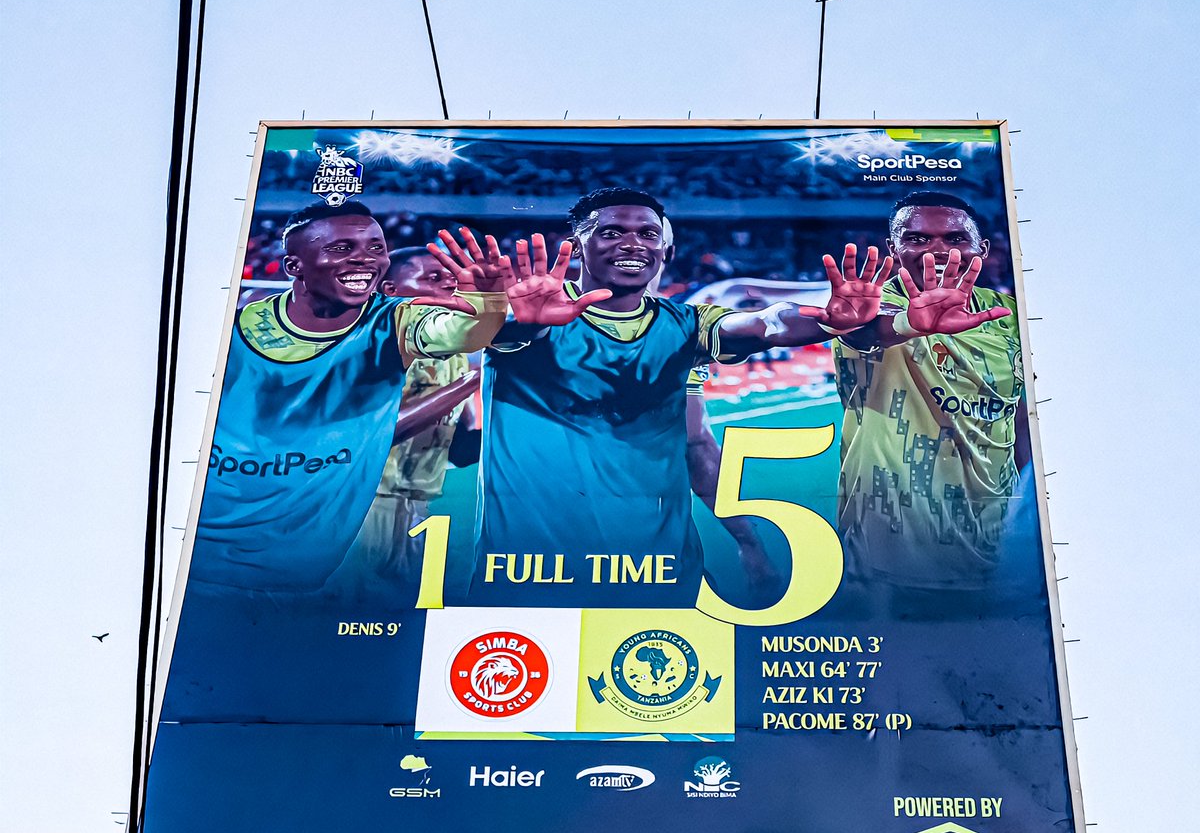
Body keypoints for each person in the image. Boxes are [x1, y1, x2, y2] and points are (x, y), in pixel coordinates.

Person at [444, 186, 890, 605]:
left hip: (654, 566)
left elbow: (765, 326)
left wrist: (832, 321)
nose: (631, 243)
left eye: (648, 233)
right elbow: (496, 330)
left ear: (665, 251)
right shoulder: (526, 318)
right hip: (529, 568)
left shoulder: (687, 327)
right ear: (576, 247)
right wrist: (517, 320)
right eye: (612, 231)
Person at [189, 203, 510, 594]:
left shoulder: (436, 346)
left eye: (376, 248)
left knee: (383, 623)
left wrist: (491, 301)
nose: (364, 259)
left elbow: (463, 436)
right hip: (360, 499)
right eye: (341, 248)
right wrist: (462, 388)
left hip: (414, 503)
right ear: (294, 266)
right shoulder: (238, 326)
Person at [831, 190, 1026, 589]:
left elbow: (1020, 416)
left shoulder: (1010, 319)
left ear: (982, 249)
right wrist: (909, 323)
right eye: (917, 239)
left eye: (955, 239)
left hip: (997, 539)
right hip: (891, 552)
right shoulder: (869, 306)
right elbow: (862, 331)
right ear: (892, 248)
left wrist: (1030, 507)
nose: (937, 250)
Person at [334, 245, 483, 596]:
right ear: (391, 290)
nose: (449, 286)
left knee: (397, 612)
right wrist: (471, 383)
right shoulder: (373, 345)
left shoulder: (455, 352)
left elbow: (462, 454)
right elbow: (374, 434)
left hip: (417, 502)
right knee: (342, 612)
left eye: (452, 278)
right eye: (433, 278)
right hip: (365, 500)